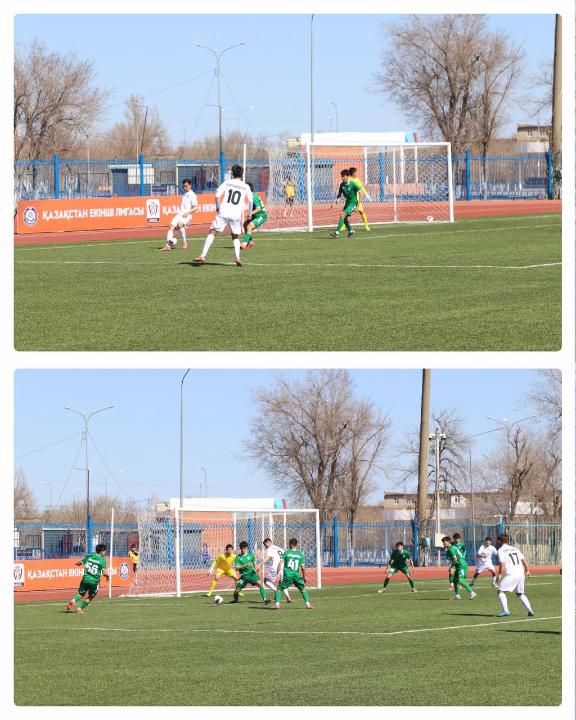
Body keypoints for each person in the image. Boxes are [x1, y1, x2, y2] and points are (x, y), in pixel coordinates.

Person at [195, 164, 253, 266]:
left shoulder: (227, 183)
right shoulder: (245, 186)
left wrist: (217, 207)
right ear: (242, 174)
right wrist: (250, 213)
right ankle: (237, 258)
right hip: (236, 214)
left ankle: (203, 255)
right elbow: (251, 201)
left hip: (224, 212)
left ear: (232, 173)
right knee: (235, 236)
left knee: (212, 232)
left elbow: (217, 195)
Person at [495, 533, 534, 617]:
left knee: (500, 591)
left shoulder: (500, 550)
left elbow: (502, 563)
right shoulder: (515, 548)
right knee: (520, 593)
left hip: (512, 574)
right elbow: (524, 560)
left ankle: (505, 610)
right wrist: (527, 571)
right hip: (521, 573)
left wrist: (500, 574)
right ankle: (530, 610)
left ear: (499, 541)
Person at [65, 543, 109, 615]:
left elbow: (80, 563)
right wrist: (108, 576)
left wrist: (77, 564)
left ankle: (73, 601)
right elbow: (104, 573)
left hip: (85, 579)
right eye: (104, 551)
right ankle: (80, 609)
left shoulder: (90, 555)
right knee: (91, 596)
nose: (105, 552)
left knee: (81, 594)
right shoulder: (102, 560)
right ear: (101, 552)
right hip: (94, 581)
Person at [274, 538, 312, 610]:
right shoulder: (300, 555)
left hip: (288, 575)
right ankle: (308, 604)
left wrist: (278, 574)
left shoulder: (286, 553)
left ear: (290, 545)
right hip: (297, 576)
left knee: (279, 588)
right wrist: (304, 577)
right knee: (303, 589)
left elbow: (280, 563)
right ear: (296, 545)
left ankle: (277, 604)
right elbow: (303, 568)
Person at [160, 178, 198, 251]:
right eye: (183, 186)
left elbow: (196, 207)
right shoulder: (184, 194)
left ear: (190, 185)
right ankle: (168, 246)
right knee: (171, 226)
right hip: (179, 214)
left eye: (186, 186)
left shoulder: (192, 195)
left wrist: (188, 212)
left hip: (187, 215)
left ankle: (184, 242)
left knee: (179, 225)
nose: (184, 187)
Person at [442, 535, 477, 601]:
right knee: (455, 580)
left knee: (460, 580)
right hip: (458, 565)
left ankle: (472, 592)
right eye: (443, 542)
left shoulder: (451, 549)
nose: (443, 544)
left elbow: (455, 559)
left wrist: (453, 567)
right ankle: (457, 595)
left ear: (448, 542)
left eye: (444, 542)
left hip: (462, 565)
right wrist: (452, 566)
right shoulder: (451, 548)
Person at [260, 538, 291, 602]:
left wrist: (260, 564)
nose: (265, 547)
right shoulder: (280, 548)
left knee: (266, 580)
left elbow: (268, 558)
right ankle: (288, 597)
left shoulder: (270, 549)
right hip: (283, 567)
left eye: (265, 545)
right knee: (282, 582)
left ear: (268, 543)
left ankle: (276, 591)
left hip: (276, 567)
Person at [330, 169, 358, 238]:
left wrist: (358, 204)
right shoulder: (342, 185)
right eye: (341, 176)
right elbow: (340, 194)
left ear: (348, 176)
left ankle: (337, 233)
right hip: (347, 203)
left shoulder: (353, 184)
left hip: (353, 203)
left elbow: (360, 192)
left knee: (342, 215)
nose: (342, 177)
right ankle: (351, 231)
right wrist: (337, 200)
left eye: (343, 176)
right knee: (344, 218)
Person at [240, 182, 267, 250]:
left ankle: (244, 243)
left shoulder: (253, 197)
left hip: (261, 216)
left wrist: (250, 213)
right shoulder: (251, 196)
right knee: (245, 224)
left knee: (249, 226)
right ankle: (250, 242)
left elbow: (259, 208)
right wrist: (251, 214)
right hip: (256, 215)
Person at [348, 166, 370, 231]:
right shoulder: (349, 180)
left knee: (361, 211)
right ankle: (343, 227)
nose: (356, 173)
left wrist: (366, 194)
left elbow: (361, 187)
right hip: (350, 199)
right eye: (355, 172)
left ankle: (366, 226)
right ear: (352, 173)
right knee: (346, 213)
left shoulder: (357, 180)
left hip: (357, 199)